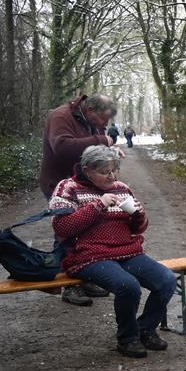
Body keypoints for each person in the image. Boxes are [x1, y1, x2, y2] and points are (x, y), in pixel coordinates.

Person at [48, 145, 176, 358]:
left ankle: (145, 329)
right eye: (104, 172)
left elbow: (137, 229)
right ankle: (127, 338)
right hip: (88, 255)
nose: (112, 176)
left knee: (166, 280)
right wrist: (98, 205)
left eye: (114, 170)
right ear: (87, 170)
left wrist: (138, 215)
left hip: (127, 252)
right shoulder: (68, 188)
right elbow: (62, 227)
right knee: (128, 286)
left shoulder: (121, 188)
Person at [40, 93, 122, 306]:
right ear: (90, 110)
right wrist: (103, 141)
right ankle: (70, 285)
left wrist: (109, 151)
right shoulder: (60, 117)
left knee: (88, 229)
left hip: (85, 182)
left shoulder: (92, 121)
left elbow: (94, 150)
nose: (104, 124)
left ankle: (84, 278)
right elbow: (62, 148)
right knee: (67, 231)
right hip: (60, 184)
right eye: (103, 119)